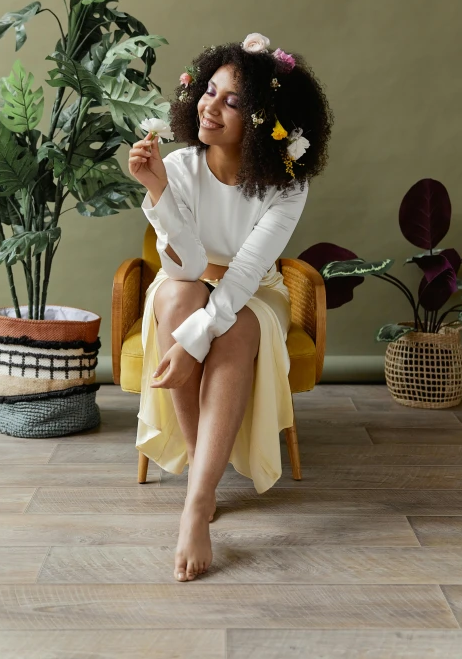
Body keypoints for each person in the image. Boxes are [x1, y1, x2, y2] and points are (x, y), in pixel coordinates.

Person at [128, 33, 333, 583]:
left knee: (236, 327)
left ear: (266, 119)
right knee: (177, 295)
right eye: (208, 90)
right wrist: (157, 193)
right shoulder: (178, 166)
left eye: (232, 101)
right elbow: (189, 267)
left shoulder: (287, 186)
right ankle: (205, 476)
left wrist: (200, 336)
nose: (209, 106)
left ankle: (196, 506)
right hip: (189, 280)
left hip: (253, 288)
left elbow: (242, 275)